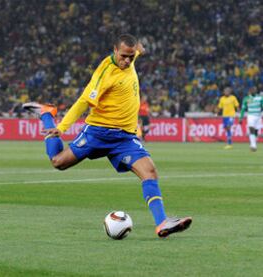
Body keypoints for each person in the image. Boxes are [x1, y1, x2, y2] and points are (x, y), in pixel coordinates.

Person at [23, 34, 192, 238]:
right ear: (114, 50)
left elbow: (137, 48)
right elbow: (84, 101)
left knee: (150, 172)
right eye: (124, 56)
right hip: (98, 132)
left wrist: (139, 48)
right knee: (58, 162)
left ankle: (162, 222)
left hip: (125, 138)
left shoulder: (130, 56)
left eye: (131, 56)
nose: (128, 61)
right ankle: (47, 114)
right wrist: (62, 126)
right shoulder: (105, 73)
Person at [239, 86, 263, 152]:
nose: (253, 91)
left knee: (256, 131)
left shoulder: (260, 98)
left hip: (258, 116)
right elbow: (243, 109)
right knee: (251, 129)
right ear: (250, 91)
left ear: (256, 90)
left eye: (254, 90)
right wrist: (241, 117)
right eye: (252, 90)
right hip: (250, 116)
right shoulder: (246, 99)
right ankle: (253, 145)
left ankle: (253, 143)